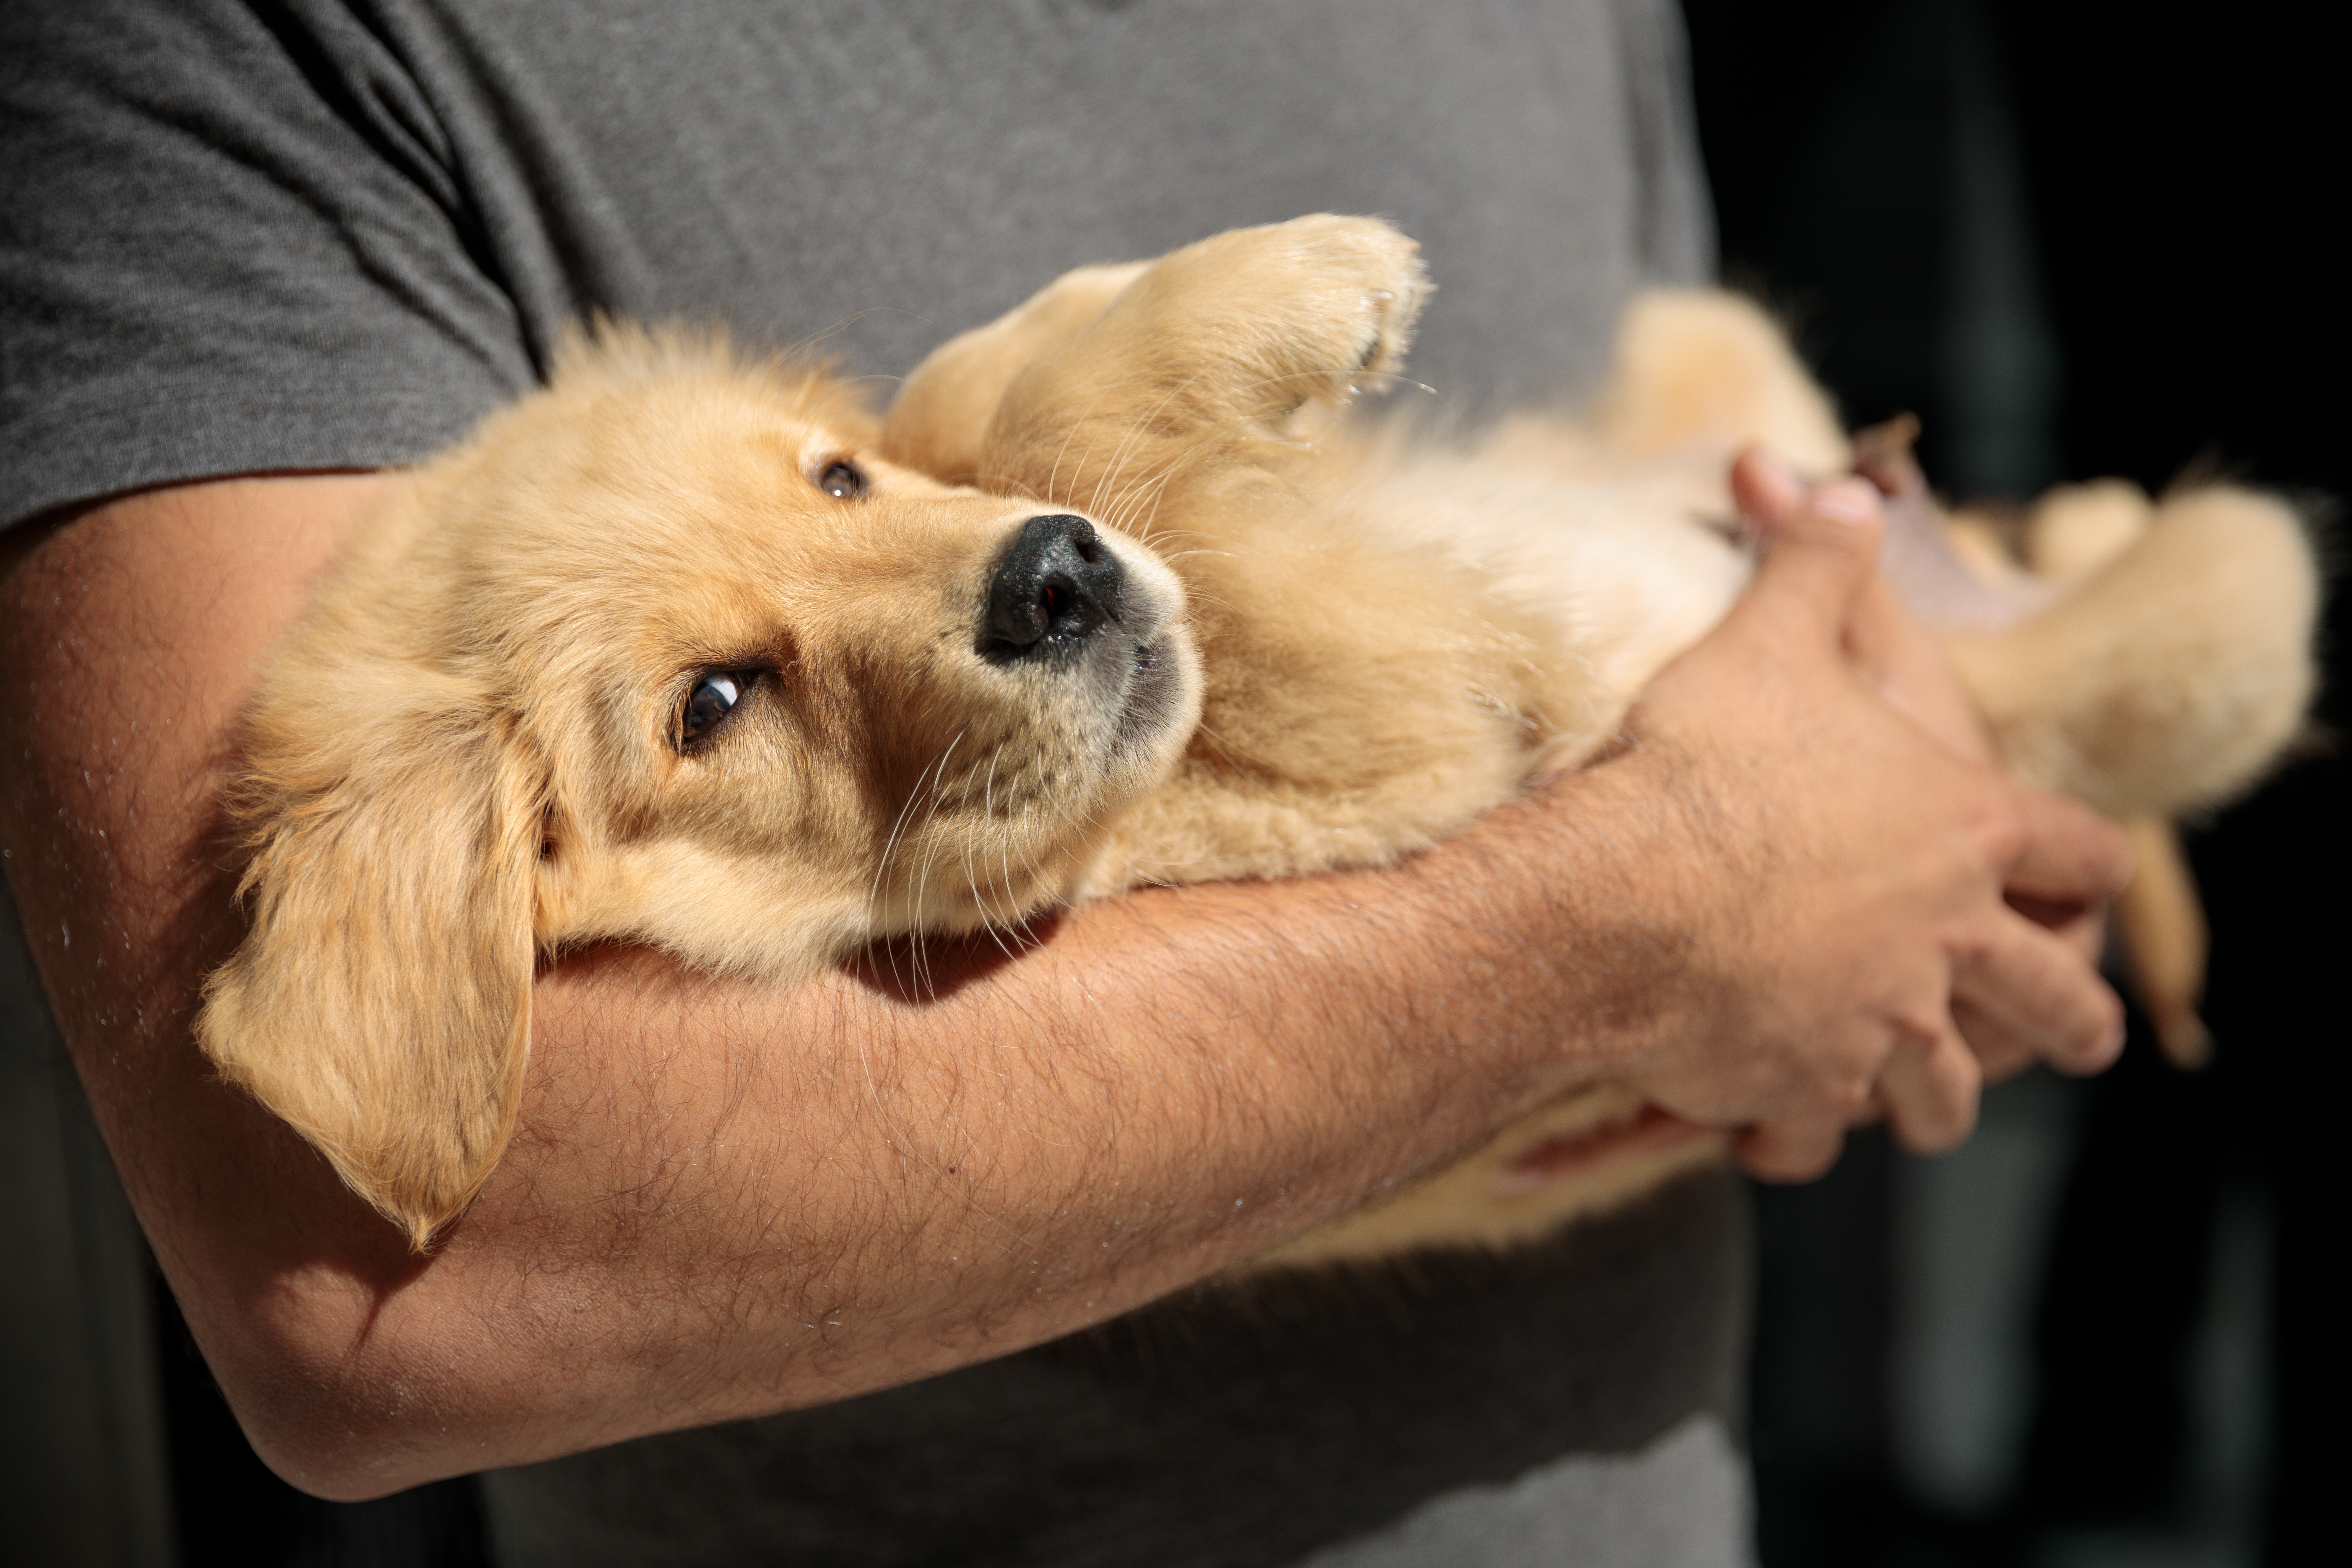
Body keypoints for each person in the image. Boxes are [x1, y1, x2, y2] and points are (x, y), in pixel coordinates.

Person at [0, 1, 2128, 1562]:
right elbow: (377, 1286)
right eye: (715, 703)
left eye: (848, 478)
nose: (977, 550)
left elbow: (1644, 519)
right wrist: (1654, 914)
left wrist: (1949, 805)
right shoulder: (205, 53)